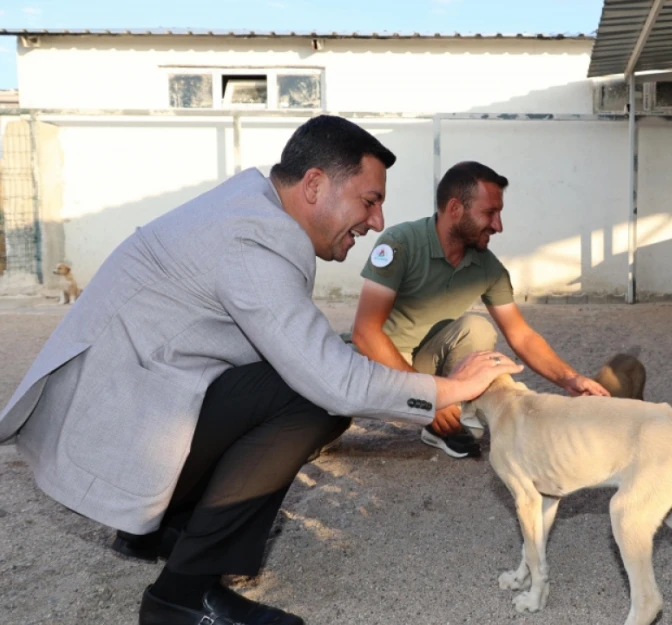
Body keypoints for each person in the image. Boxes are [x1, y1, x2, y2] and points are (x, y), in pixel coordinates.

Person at [0, 115, 522, 625]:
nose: (377, 222)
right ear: (314, 184)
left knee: (290, 379)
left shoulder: (252, 211)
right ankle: (181, 596)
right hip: (113, 437)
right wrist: (450, 389)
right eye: (370, 200)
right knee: (313, 398)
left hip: (122, 411)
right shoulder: (254, 239)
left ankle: (156, 527)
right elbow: (332, 380)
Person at [345, 160, 609, 459]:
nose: (498, 226)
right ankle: (432, 407)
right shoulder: (400, 244)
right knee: (325, 417)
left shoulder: (488, 267)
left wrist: (571, 379)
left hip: (423, 365)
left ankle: (442, 423)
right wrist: (424, 396)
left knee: (477, 327)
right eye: (489, 213)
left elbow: (521, 335)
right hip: (380, 364)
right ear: (455, 209)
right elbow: (365, 333)